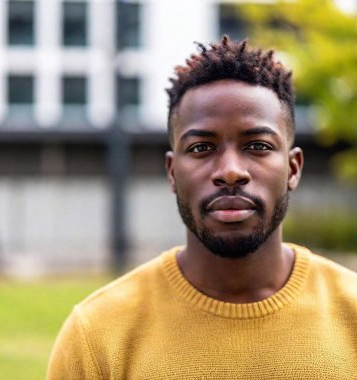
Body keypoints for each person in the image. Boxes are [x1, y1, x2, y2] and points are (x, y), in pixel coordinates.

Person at [47, 35, 357, 379]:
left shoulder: (352, 315)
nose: (230, 172)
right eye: (200, 148)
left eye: (257, 145)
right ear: (172, 172)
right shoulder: (97, 334)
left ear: (293, 168)